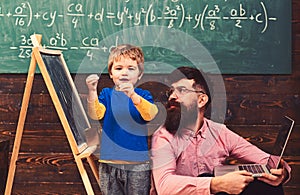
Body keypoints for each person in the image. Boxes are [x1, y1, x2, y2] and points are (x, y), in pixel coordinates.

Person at [150, 66, 291, 195]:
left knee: (267, 185)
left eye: (181, 90)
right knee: (211, 179)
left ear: (201, 100)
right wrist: (215, 184)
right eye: (171, 91)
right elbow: (164, 186)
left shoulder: (219, 132)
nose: (172, 96)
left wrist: (281, 172)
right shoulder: (163, 135)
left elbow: (264, 159)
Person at [86, 44, 158, 195]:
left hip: (138, 163)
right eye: (118, 68)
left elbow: (150, 114)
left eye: (131, 68)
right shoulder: (106, 94)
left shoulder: (143, 95)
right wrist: (92, 91)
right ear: (111, 74)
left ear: (140, 75)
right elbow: (96, 114)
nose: (124, 72)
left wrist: (132, 95)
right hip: (109, 162)